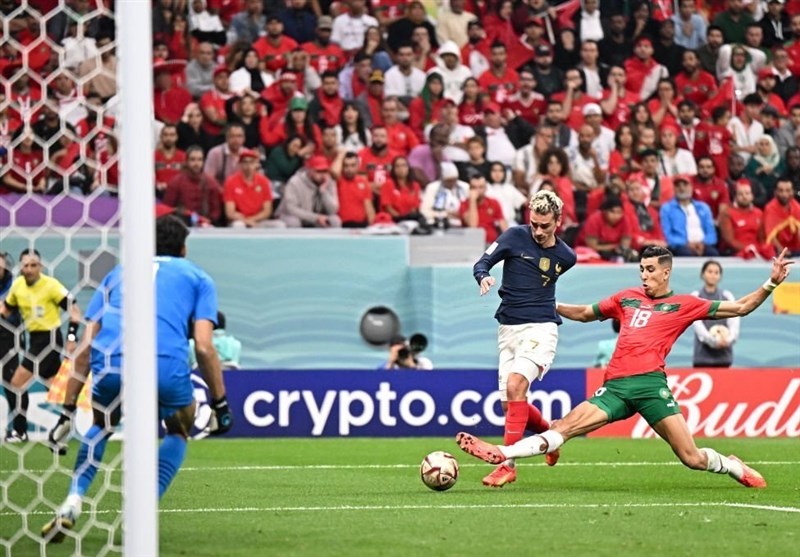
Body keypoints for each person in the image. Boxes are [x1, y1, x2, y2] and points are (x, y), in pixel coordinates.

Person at [456, 246, 795, 490]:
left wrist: (771, 283)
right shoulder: (627, 297)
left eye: (650, 270)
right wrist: (548, 303)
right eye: (641, 270)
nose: (644, 275)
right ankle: (503, 455)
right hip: (615, 388)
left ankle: (733, 466)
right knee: (563, 428)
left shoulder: (685, 304)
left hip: (651, 388)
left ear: (666, 272)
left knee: (691, 458)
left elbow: (741, 307)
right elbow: (585, 313)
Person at [41, 215, 233, 542]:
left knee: (101, 424)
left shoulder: (118, 274)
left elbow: (84, 349)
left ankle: (73, 499)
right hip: (164, 363)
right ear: (183, 248)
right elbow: (203, 346)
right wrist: (220, 402)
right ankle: (142, 512)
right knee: (179, 428)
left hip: (113, 360)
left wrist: (67, 410)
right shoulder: (198, 277)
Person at [471, 190, 577, 488]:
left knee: (516, 385)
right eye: (534, 224)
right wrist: (483, 277)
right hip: (508, 328)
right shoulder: (514, 237)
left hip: (541, 328)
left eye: (545, 225)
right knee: (510, 405)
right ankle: (550, 436)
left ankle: (507, 464)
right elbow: (482, 263)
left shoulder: (567, 257)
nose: (538, 231)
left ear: (558, 221)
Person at [0, 249, 80, 442]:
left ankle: (20, 432)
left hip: (49, 340)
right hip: (34, 339)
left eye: (33, 265)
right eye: (26, 266)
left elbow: (75, 311)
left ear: (41, 266)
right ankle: (71, 416)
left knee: (17, 382)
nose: (29, 269)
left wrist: (71, 337)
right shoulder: (18, 286)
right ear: (20, 267)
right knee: (54, 387)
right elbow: (6, 310)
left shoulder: (51, 285)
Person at [691, 260, 739, 368]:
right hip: (702, 359)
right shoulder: (696, 296)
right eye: (710, 271)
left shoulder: (727, 296)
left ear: (720, 276)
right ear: (702, 274)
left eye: (716, 272)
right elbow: (698, 327)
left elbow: (734, 323)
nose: (713, 275)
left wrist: (728, 340)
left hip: (724, 358)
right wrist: (714, 341)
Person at [0, 252, 22, 440]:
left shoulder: (14, 284)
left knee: (13, 382)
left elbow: (5, 308)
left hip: (9, 336)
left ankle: (19, 430)